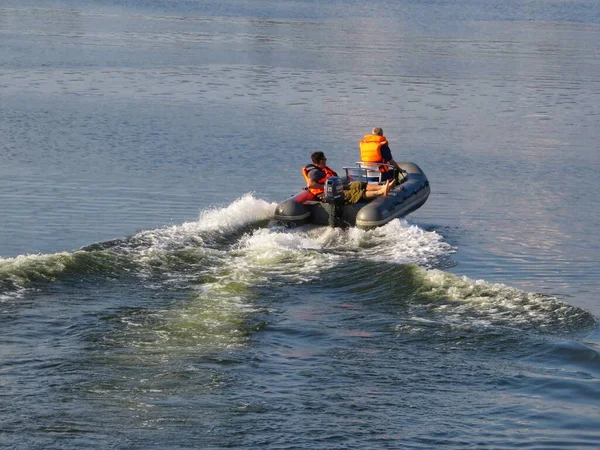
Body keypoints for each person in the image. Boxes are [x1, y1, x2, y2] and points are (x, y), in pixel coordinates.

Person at [302, 151, 394, 204]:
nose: (326, 160)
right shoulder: (314, 172)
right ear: (321, 161)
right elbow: (310, 184)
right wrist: (326, 187)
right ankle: (380, 192)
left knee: (358, 184)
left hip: (336, 188)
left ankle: (382, 187)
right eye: (325, 159)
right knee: (355, 193)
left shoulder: (323, 169)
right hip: (327, 194)